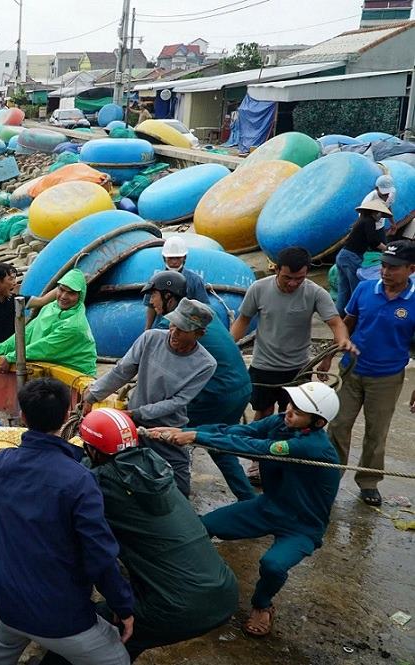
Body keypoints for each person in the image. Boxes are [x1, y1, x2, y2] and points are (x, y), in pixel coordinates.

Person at [0, 378, 133, 665]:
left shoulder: (1, 464)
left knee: (0, 648)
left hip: (10, 607)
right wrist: (123, 606)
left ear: (23, 417)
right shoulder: (80, 480)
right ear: (68, 415)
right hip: (63, 617)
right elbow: (100, 556)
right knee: (116, 659)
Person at [148, 381, 341, 638]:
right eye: (292, 405)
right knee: (200, 527)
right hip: (268, 507)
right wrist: (185, 430)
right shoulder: (281, 422)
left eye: (299, 411)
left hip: (302, 525)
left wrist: (195, 437)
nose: (290, 411)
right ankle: (188, 580)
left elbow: (254, 448)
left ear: (317, 422)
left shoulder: (313, 446)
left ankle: (262, 605)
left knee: (273, 564)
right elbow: (239, 432)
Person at [66, 408, 238, 661]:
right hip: (223, 591)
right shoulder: (154, 466)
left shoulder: (100, 487)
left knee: (83, 629)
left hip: (179, 607)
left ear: (91, 449)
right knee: (131, 637)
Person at [230, 246, 356, 482]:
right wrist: (227, 347)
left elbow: (336, 323)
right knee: (264, 415)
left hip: (298, 369)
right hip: (263, 366)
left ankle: (287, 461)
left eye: (300, 278)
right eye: (287, 277)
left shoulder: (315, 292)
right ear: (276, 269)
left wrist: (343, 342)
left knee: (295, 418)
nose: (293, 283)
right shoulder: (259, 289)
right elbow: (243, 321)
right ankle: (259, 461)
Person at [83, 298, 217, 497]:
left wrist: (136, 412)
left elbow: (178, 401)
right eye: (173, 325)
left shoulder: (205, 364)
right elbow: (122, 371)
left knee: (181, 488)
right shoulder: (151, 338)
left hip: (167, 428)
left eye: (182, 329)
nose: (174, 332)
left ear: (199, 334)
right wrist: (93, 395)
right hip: (132, 423)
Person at [145, 271, 255, 501]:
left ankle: (173, 497)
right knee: (218, 445)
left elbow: (163, 372)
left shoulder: (172, 325)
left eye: (153, 296)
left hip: (216, 392)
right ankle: (249, 500)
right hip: (241, 387)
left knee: (161, 430)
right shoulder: (201, 309)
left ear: (168, 297)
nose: (150, 302)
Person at [330, 239, 415, 506]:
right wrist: (334, 351)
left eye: (394, 267)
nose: (386, 271)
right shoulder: (365, 289)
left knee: (376, 432)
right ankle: (330, 476)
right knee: (338, 425)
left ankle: (368, 482)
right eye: (384, 265)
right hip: (351, 370)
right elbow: (347, 323)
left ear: (411, 269)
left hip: (387, 378)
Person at [0, 269, 98, 376]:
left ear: (80, 296)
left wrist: (10, 357)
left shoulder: (74, 325)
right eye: (61, 290)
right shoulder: (51, 307)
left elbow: (44, 347)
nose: (64, 296)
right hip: (53, 369)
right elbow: (28, 332)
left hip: (76, 374)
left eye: (71, 293)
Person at [334, 199, 390, 316]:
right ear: (374, 212)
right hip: (351, 257)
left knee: (344, 290)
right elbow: (373, 241)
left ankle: (339, 316)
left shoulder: (361, 221)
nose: (380, 217)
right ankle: (356, 317)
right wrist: (387, 249)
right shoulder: (369, 221)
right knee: (357, 289)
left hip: (342, 255)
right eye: (380, 214)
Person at [143, 237, 211, 330]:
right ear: (164, 258)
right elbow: (151, 307)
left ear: (184, 258)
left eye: (178, 258)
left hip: (186, 329)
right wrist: (147, 329)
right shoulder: (156, 279)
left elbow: (203, 307)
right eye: (170, 258)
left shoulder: (195, 280)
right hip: (162, 328)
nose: (174, 261)